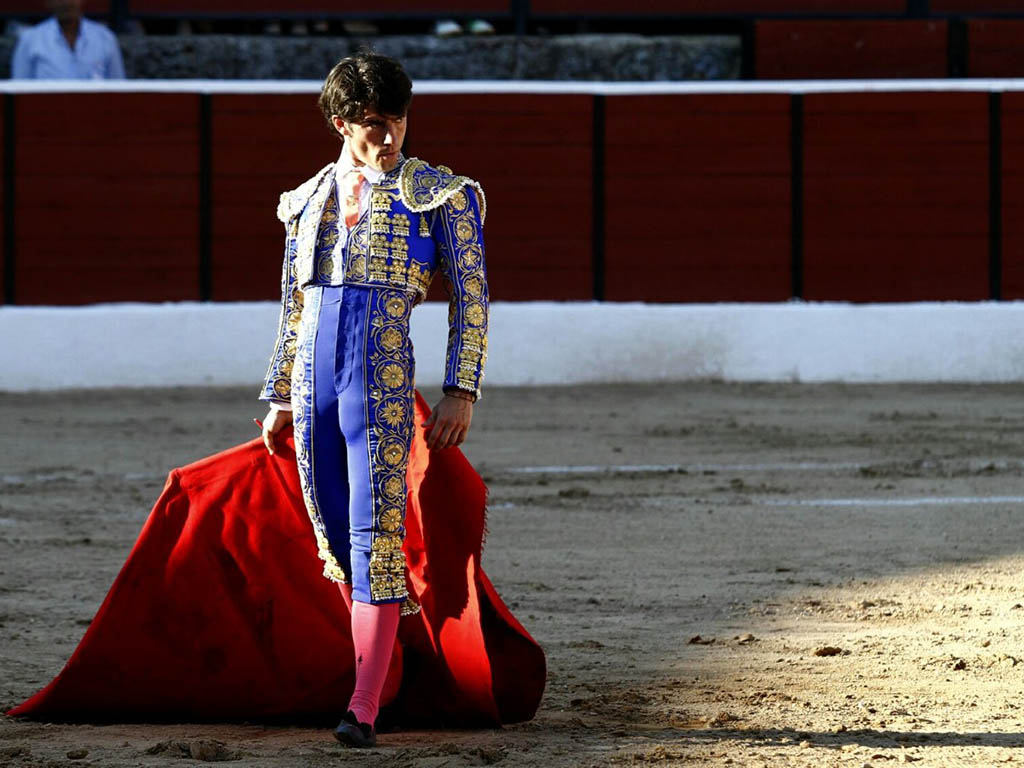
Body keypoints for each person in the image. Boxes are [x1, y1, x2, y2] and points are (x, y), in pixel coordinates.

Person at [258, 51, 488, 748]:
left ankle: (363, 704)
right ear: (340, 122)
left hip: (380, 380)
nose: (390, 140)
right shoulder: (304, 200)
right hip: (312, 380)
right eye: (373, 127)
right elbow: (293, 312)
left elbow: (471, 301)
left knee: (375, 533)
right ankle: (380, 673)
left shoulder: (439, 194)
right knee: (331, 531)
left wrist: (460, 388)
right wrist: (278, 395)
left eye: (397, 123)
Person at [11, 0, 125, 80]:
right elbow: (19, 90)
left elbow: (119, 88)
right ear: (48, 2)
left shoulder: (105, 38)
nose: (67, 3)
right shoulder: (30, 39)